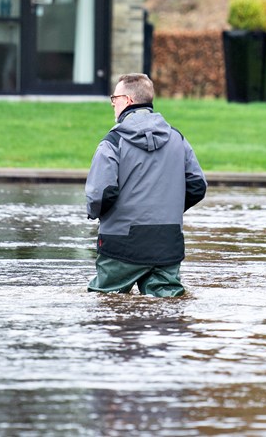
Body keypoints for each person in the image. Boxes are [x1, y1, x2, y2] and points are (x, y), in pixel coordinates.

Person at [85, 73, 207, 297]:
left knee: (105, 303)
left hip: (121, 243)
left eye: (115, 99)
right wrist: (168, 207)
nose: (113, 104)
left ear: (128, 101)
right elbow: (197, 186)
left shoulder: (112, 142)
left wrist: (94, 214)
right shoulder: (177, 139)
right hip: (168, 242)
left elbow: (100, 195)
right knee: (167, 309)